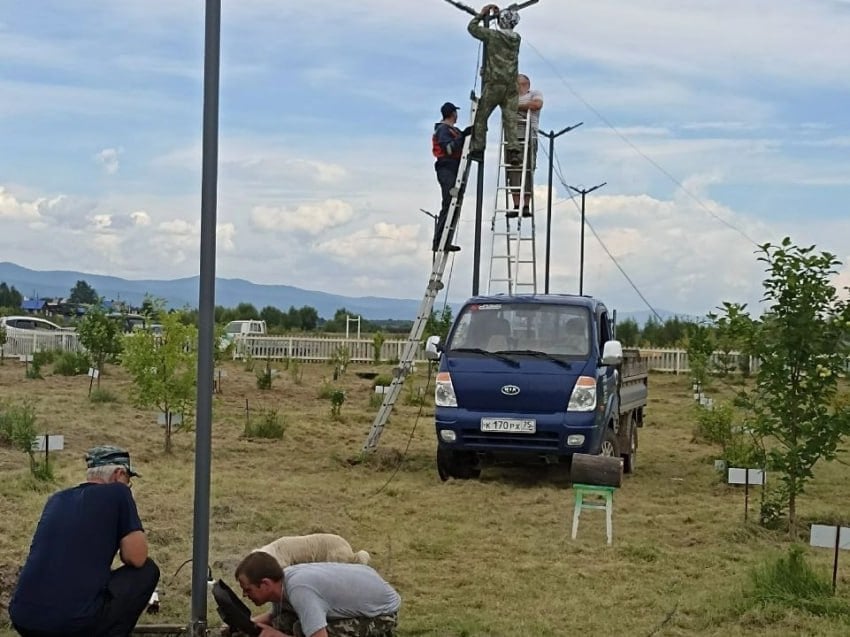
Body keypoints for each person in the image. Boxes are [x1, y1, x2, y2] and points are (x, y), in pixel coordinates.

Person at [9, 445, 159, 637]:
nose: (128, 486)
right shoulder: (118, 492)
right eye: (128, 480)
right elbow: (137, 558)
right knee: (147, 571)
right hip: (71, 624)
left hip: (24, 618)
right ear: (119, 474)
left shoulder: (57, 498)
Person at [234, 551, 401, 637]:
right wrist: (245, 625)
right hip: (368, 588)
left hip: (382, 614)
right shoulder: (282, 583)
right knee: (282, 621)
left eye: (248, 590)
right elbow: (273, 617)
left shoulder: (300, 590)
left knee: (300, 629)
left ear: (265, 584)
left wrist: (278, 635)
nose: (245, 595)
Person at [467, 4, 522, 165]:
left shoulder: (492, 36)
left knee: (481, 116)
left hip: (495, 84)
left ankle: (478, 149)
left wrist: (481, 14)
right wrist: (500, 16)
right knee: (510, 119)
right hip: (511, 85)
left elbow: (471, 28)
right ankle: (514, 153)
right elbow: (504, 28)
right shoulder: (516, 39)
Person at [431, 101, 472, 254]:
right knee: (449, 202)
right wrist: (462, 136)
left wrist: (464, 134)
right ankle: (439, 241)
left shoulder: (451, 130)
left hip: (454, 167)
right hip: (446, 167)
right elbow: (448, 149)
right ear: (453, 114)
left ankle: (445, 240)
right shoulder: (443, 130)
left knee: (454, 203)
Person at [506, 73, 544, 218]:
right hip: (512, 137)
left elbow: (536, 105)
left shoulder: (534, 93)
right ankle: (516, 206)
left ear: (525, 84)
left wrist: (516, 106)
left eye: (518, 84)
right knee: (513, 171)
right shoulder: (510, 97)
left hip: (529, 135)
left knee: (528, 170)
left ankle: (526, 205)